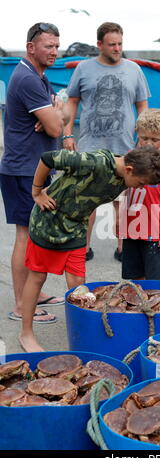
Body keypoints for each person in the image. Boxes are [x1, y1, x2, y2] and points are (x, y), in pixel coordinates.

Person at [19, 144, 160, 352]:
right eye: (140, 184)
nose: (139, 188)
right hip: (48, 220)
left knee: (78, 283)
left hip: (76, 226)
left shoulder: (126, 175)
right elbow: (47, 157)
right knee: (37, 277)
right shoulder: (94, 162)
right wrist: (37, 192)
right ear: (130, 170)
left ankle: (83, 332)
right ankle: (26, 333)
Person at [63, 21, 150, 261]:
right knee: (87, 200)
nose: (117, 48)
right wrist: (68, 133)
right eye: (112, 44)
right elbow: (72, 101)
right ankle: (83, 246)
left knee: (122, 201)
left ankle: (123, 247)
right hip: (90, 146)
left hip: (124, 147)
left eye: (120, 43)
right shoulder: (83, 68)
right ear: (99, 44)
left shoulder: (134, 70)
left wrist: (144, 138)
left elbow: (142, 106)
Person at [0, 22, 69, 323]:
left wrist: (57, 109)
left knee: (34, 234)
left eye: (56, 46)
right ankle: (20, 304)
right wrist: (54, 114)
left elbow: (61, 116)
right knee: (26, 236)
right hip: (22, 170)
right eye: (48, 46)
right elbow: (57, 126)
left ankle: (32, 291)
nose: (54, 51)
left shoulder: (40, 77)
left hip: (34, 168)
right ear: (31, 48)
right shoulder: (28, 79)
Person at [116, 108, 160, 281]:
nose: (149, 144)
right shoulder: (130, 157)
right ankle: (137, 308)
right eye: (144, 138)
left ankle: (154, 308)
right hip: (132, 229)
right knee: (134, 279)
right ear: (137, 132)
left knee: (156, 283)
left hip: (156, 231)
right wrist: (118, 220)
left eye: (155, 139)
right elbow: (123, 191)